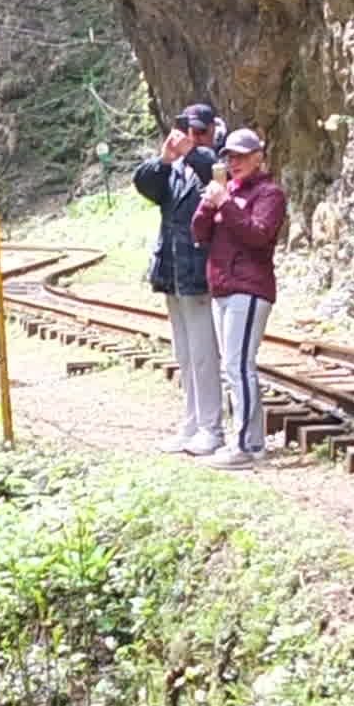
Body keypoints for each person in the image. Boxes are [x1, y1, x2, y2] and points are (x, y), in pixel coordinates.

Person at [128, 103, 223, 453]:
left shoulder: (217, 162)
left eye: (201, 132)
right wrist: (166, 158)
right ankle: (192, 421)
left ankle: (211, 426)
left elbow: (216, 176)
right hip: (173, 269)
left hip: (199, 270)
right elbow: (145, 184)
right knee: (185, 353)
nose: (194, 139)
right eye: (188, 132)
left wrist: (192, 153)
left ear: (213, 130)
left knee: (203, 353)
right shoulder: (177, 168)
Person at [190, 126, 285, 459]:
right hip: (223, 286)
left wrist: (226, 203)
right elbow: (199, 233)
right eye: (230, 156)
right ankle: (251, 440)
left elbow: (258, 235)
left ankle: (246, 444)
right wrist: (209, 203)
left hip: (250, 287)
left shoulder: (269, 194)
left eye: (243, 155)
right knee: (232, 366)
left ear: (258, 156)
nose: (236, 162)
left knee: (237, 365)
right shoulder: (225, 190)